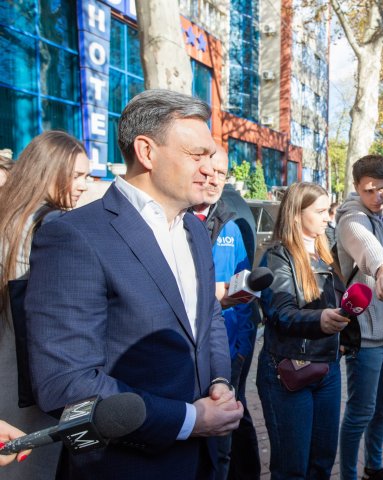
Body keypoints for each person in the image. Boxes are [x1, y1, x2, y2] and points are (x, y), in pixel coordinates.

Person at [24, 89, 244, 479]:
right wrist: (190, 419)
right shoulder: (74, 236)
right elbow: (65, 383)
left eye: (211, 156)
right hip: (124, 466)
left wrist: (220, 381)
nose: (212, 169)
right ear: (146, 152)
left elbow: (206, 319)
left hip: (201, 462)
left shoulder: (194, 230)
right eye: (198, 155)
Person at [0, 131, 89, 480]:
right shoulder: (53, 224)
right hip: (35, 381)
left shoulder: (9, 215)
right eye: (77, 175)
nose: (84, 185)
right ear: (49, 171)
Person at [256, 182, 348, 479]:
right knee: (291, 468)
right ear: (296, 214)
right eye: (320, 211)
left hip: (328, 370)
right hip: (288, 370)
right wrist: (319, 320)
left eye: (328, 211)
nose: (327, 218)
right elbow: (281, 313)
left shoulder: (327, 254)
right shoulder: (277, 257)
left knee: (321, 463)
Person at [335, 154, 383, 480]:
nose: (377, 197)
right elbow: (368, 247)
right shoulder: (350, 217)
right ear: (356, 187)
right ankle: (349, 475)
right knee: (359, 413)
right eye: (369, 191)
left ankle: (374, 467)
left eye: (382, 189)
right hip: (367, 338)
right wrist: (382, 271)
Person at [192, 146, 260, 480]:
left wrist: (242, 348)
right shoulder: (174, 220)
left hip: (228, 351)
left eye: (222, 173)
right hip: (187, 352)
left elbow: (245, 292)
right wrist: (210, 298)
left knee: (225, 439)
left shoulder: (231, 227)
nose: (215, 180)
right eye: (209, 171)